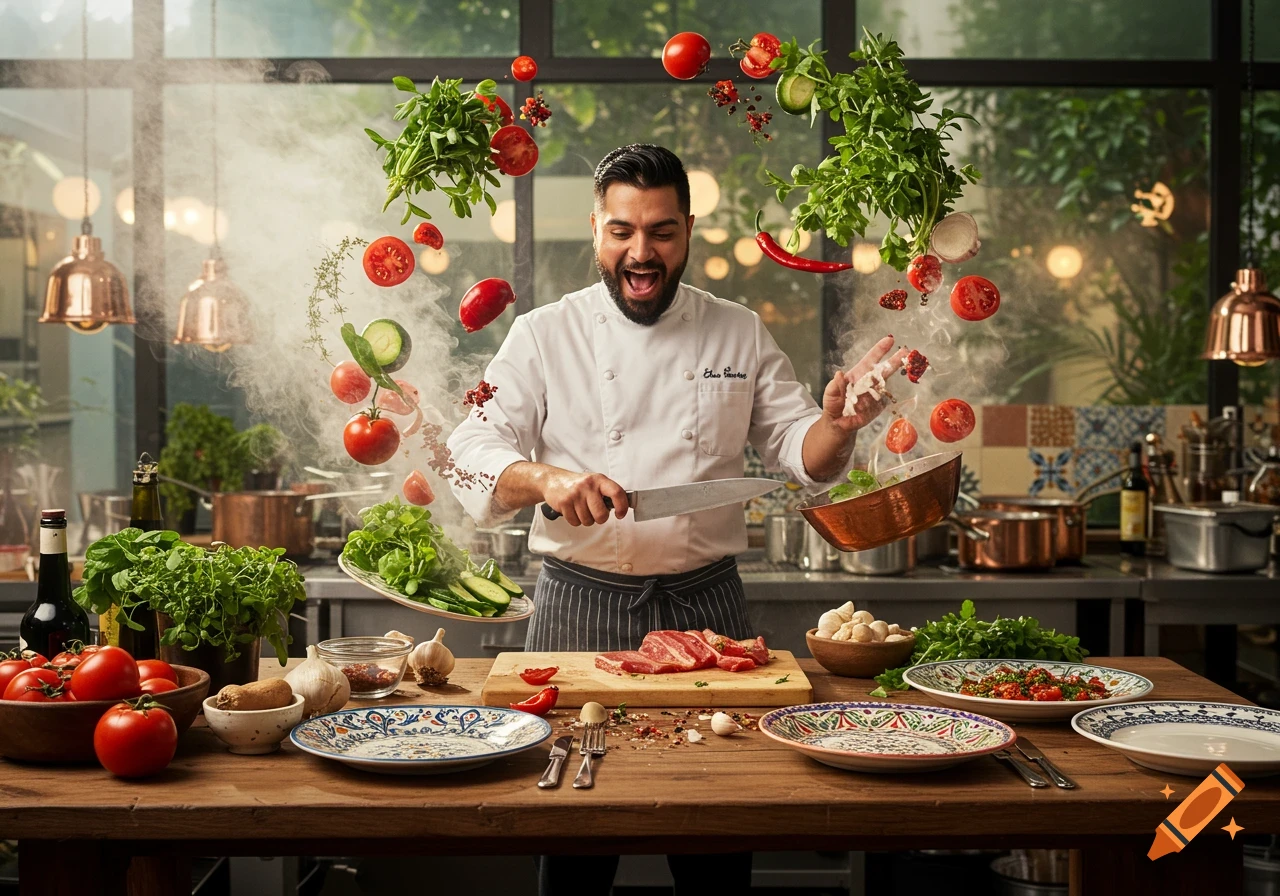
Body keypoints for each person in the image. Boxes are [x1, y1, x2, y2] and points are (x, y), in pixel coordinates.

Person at [446, 143, 902, 895]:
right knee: (572, 835)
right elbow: (471, 447)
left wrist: (841, 425)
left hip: (707, 605)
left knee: (719, 833)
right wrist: (548, 478)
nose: (641, 251)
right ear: (596, 229)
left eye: (660, 231)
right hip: (579, 603)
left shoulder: (738, 331)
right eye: (622, 231)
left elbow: (802, 453)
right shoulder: (543, 334)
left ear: (687, 230)